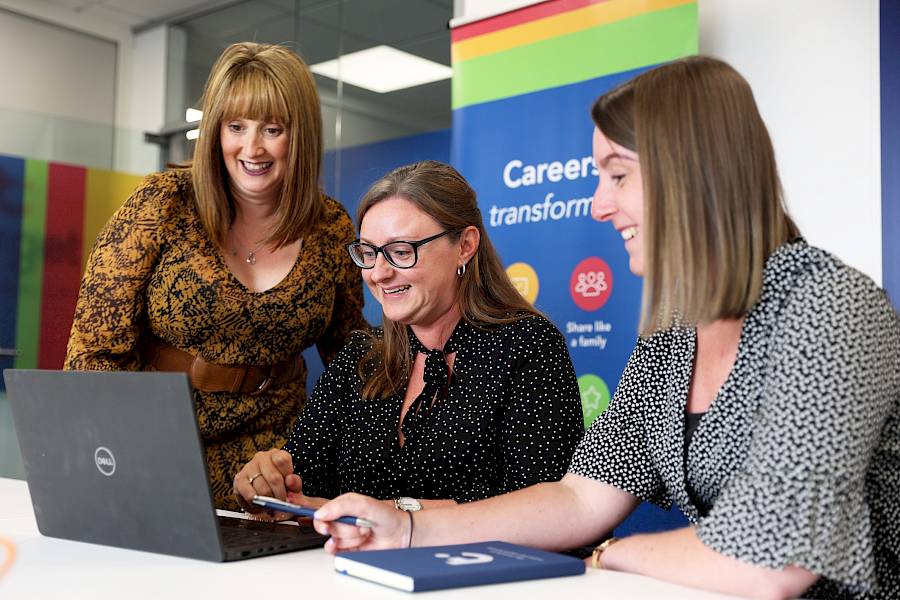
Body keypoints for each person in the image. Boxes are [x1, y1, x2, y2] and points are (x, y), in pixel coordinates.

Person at [313, 57, 900, 599]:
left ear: (694, 175)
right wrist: (408, 529)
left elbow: (772, 558)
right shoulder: (675, 330)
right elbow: (580, 496)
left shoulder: (830, 308)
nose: (598, 204)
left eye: (617, 176)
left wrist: (613, 555)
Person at [64, 42, 366, 509]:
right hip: (154, 441)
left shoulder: (331, 227)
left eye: (272, 128)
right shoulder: (161, 203)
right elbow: (96, 348)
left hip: (271, 463)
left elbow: (352, 356)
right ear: (215, 132)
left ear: (300, 135)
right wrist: (108, 451)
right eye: (236, 126)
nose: (252, 147)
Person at [232, 160, 584, 515]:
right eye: (368, 253)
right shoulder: (361, 355)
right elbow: (303, 482)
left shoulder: (528, 347)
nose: (379, 274)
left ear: (465, 245)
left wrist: (396, 515)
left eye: (400, 251)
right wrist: (267, 481)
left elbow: (544, 507)